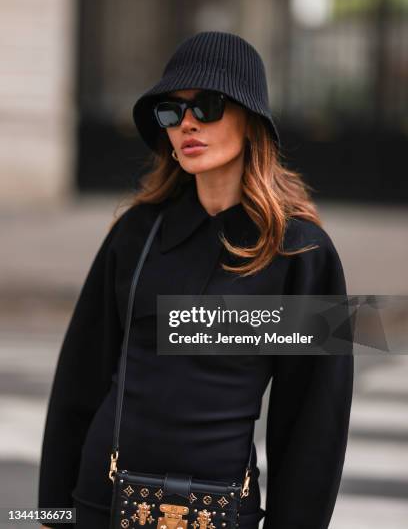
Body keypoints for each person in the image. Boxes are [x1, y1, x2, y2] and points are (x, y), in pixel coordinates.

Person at [38, 31, 354, 529]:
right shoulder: (136, 234)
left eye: (207, 106)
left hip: (219, 512)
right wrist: (52, 514)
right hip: (104, 504)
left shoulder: (302, 253)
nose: (186, 123)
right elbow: (79, 382)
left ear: (251, 121)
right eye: (171, 111)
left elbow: (314, 423)